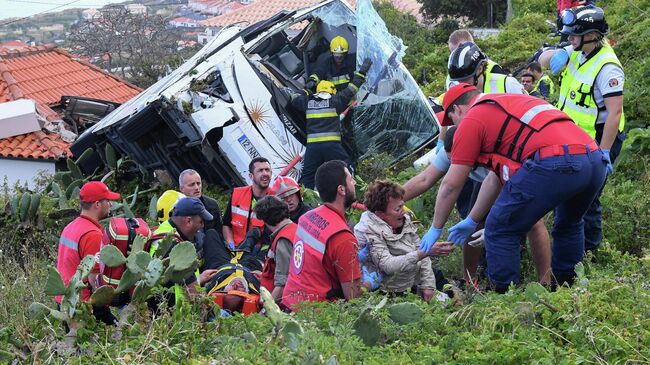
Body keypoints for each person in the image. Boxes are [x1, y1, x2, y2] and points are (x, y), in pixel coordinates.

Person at [420, 83, 607, 292]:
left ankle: (503, 298)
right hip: (594, 157)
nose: (455, 127)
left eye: (452, 120)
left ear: (458, 109)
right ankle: (568, 290)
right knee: (569, 224)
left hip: (557, 160)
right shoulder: (507, 106)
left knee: (499, 228)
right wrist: (472, 219)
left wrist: (436, 227)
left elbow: (450, 185)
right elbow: (495, 179)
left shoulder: (472, 118)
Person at [541, 5, 625, 252]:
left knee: (589, 201)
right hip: (574, 139)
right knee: (570, 197)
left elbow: (615, 112)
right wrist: (561, 53)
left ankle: (590, 252)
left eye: (574, 35)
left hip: (599, 140)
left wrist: (604, 152)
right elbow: (543, 60)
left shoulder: (608, 67)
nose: (569, 39)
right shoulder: (579, 51)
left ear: (591, 35)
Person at [282, 160, 363, 310]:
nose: (355, 183)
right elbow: (354, 298)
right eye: (351, 179)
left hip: (291, 304)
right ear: (341, 190)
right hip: (318, 316)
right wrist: (369, 283)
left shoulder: (306, 217)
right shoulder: (343, 237)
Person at [362, 180, 453, 301]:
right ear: (380, 214)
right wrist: (423, 252)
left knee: (449, 293)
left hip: (415, 277)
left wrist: (428, 284)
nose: (404, 211)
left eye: (402, 206)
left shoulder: (405, 219)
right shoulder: (369, 231)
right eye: (398, 209)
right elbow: (388, 265)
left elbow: (420, 249)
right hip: (392, 289)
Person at [290, 58, 372, 189]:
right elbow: (352, 88)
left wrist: (307, 90)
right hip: (332, 146)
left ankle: (304, 199)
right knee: (346, 167)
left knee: (307, 176)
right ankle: (350, 192)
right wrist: (362, 71)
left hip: (313, 148)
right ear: (332, 91)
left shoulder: (308, 102)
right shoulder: (336, 101)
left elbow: (293, 98)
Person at [56, 181, 121, 324]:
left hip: (64, 301)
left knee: (72, 345)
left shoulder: (70, 226)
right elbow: (94, 280)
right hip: (84, 306)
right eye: (108, 200)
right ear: (97, 204)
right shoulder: (93, 234)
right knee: (116, 335)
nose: (110, 204)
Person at [148, 197, 218, 310]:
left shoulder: (168, 229)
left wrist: (199, 278)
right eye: (201, 222)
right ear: (188, 221)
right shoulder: (174, 247)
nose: (202, 226)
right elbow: (195, 297)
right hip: (167, 317)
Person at [254, 195, 297, 303]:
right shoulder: (295, 229)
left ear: (266, 219)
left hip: (283, 304)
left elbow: (283, 283)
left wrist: (266, 312)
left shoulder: (283, 240)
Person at [222, 157, 271, 248]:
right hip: (235, 248)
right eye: (260, 170)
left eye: (267, 170)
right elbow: (226, 225)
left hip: (257, 253)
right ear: (251, 176)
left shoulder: (275, 199)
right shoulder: (237, 194)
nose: (265, 173)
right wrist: (231, 244)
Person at [448, 42, 526, 95]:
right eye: (459, 80)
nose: (461, 84)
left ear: (480, 68)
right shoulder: (456, 91)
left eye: (466, 79)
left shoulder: (508, 85)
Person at [178, 169, 223, 233]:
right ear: (181, 189)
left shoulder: (212, 205)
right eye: (192, 185)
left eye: (198, 183)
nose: (197, 187)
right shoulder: (176, 208)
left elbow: (219, 232)